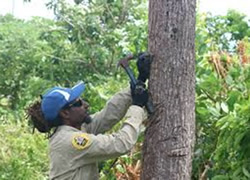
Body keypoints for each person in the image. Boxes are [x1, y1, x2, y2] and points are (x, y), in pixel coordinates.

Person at [26, 54, 150, 180]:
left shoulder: (77, 128)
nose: (86, 105)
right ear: (65, 113)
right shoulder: (71, 140)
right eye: (79, 103)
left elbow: (108, 115)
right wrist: (137, 107)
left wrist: (138, 82)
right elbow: (121, 143)